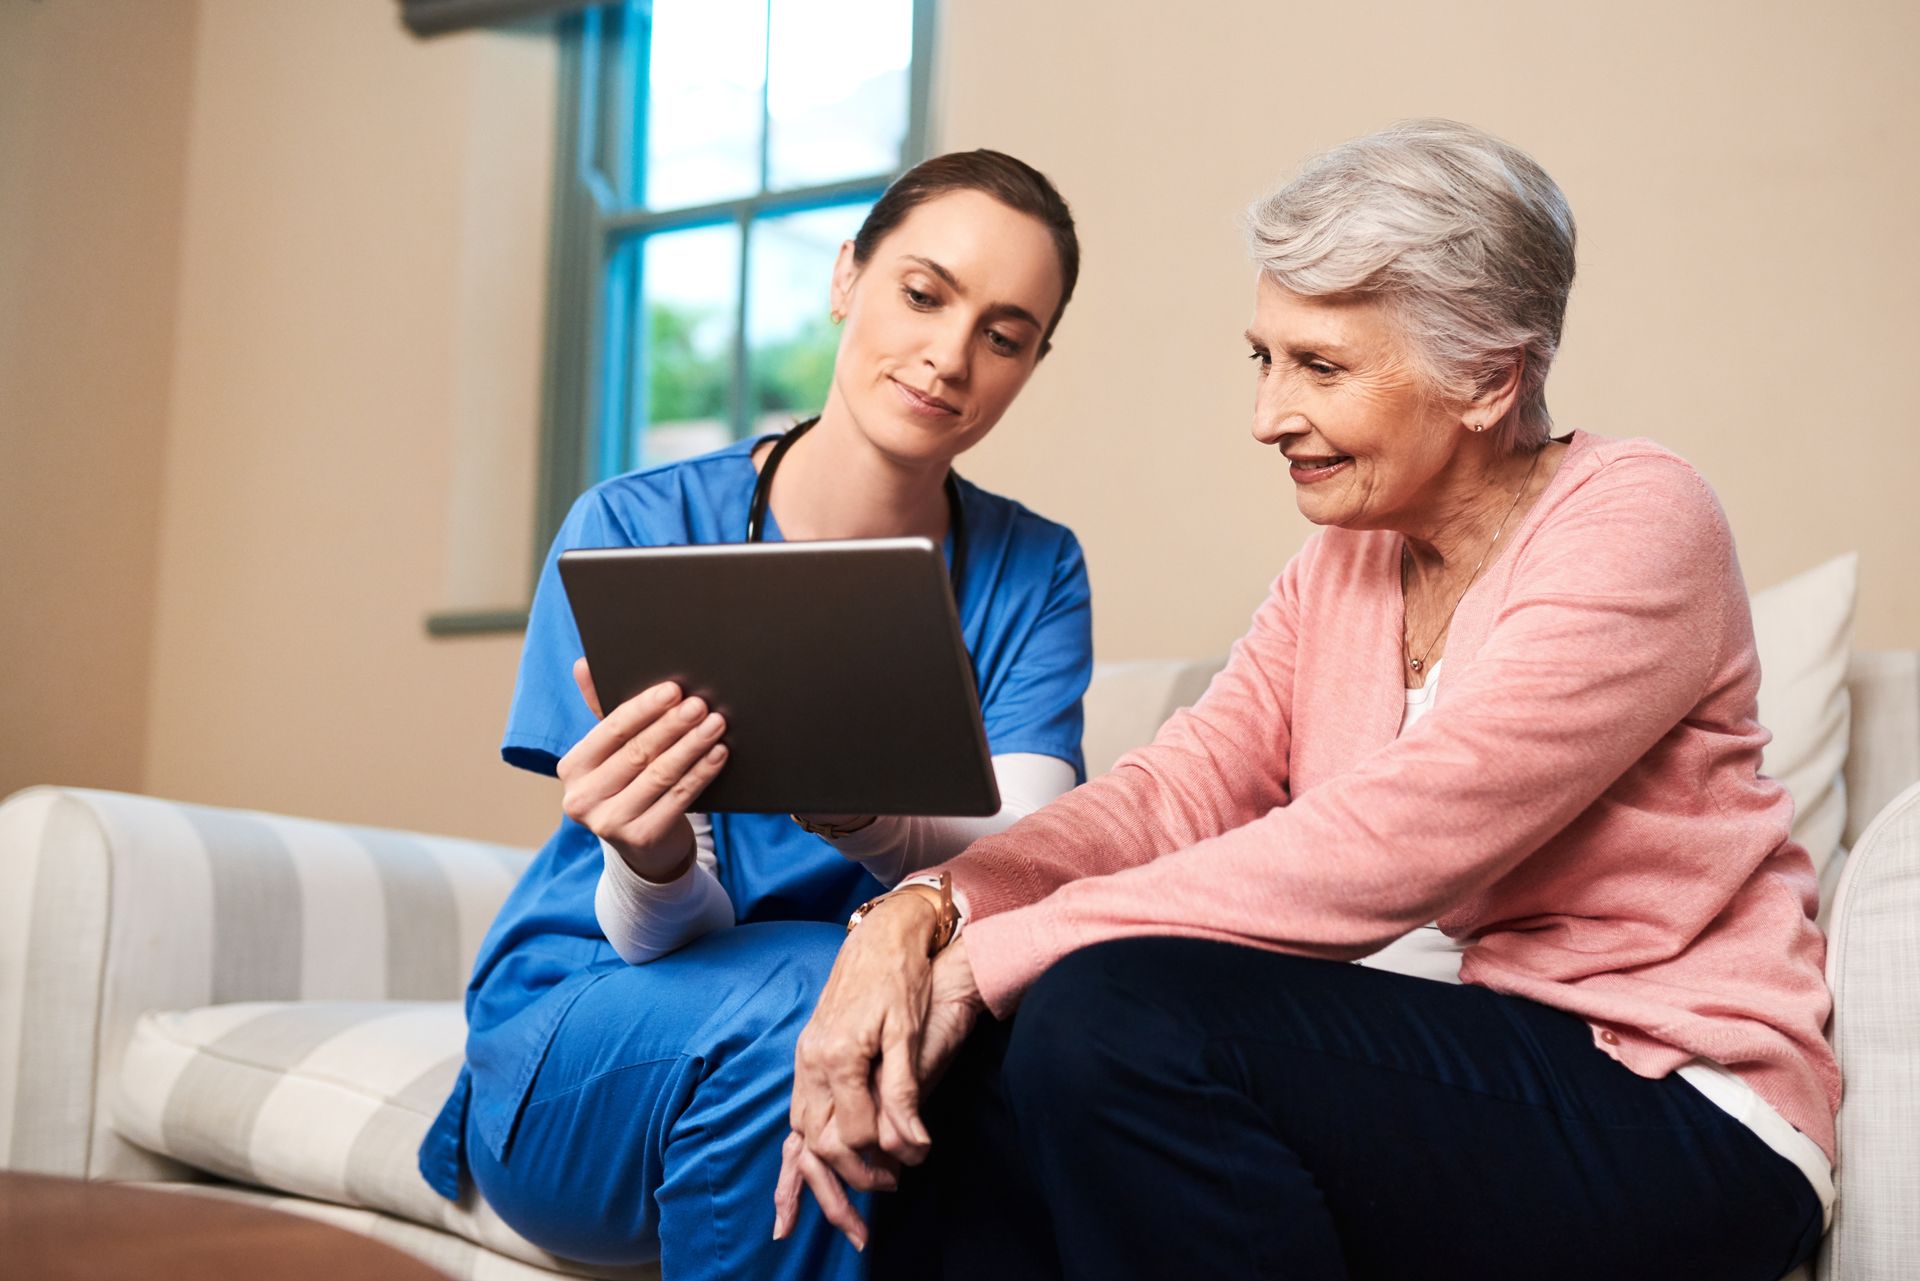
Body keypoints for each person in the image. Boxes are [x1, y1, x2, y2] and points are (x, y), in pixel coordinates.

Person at [776, 120, 1838, 1281]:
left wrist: (1000, 954)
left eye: (1320, 368)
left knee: (1108, 1012)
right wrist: (930, 912)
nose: (1267, 415)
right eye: (1264, 359)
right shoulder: (1344, 561)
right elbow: (1173, 794)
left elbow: (1395, 841)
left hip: (1676, 1105)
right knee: (968, 1055)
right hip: (1470, 1065)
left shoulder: (1638, 520)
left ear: (1488, 377)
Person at [416, 150, 1093, 1281]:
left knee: (1032, 1039)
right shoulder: (641, 526)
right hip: (597, 1026)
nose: (950, 355)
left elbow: (1026, 856)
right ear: (846, 278)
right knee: (808, 995)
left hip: (865, 1022)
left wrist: (878, 831)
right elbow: (652, 936)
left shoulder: (1035, 570)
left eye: (1005, 334)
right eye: (923, 295)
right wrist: (650, 849)